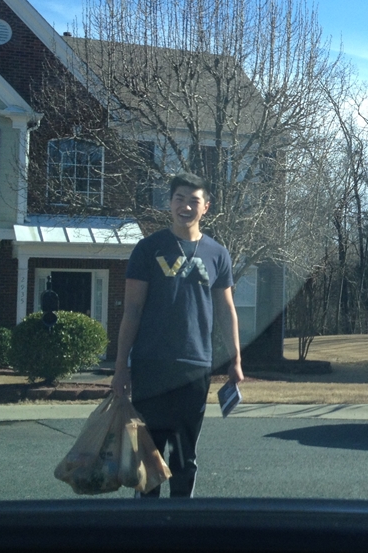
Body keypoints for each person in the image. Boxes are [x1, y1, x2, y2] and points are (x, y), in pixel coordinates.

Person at [112, 172, 244, 498]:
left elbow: (226, 310)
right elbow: (132, 310)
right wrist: (120, 366)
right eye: (179, 199)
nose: (185, 207)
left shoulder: (217, 254)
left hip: (194, 367)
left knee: (185, 456)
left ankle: (182, 520)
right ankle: (147, 522)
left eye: (193, 201)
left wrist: (235, 360)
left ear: (206, 207)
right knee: (149, 455)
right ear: (169, 203)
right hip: (151, 366)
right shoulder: (147, 249)